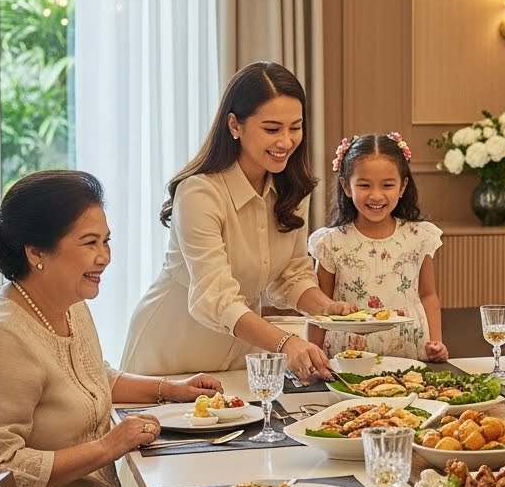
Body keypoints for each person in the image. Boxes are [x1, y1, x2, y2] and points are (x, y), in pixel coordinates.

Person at [0, 170, 221, 487]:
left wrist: (172, 389)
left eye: (106, 241)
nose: (105, 256)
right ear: (36, 253)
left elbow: (92, 378)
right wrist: (109, 447)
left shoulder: (68, 305)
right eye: (89, 243)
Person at [120, 61, 353, 382]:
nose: (286, 141)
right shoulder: (199, 193)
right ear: (234, 125)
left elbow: (292, 276)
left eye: (295, 127)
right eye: (272, 129)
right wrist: (285, 343)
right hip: (170, 361)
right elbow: (214, 297)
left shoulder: (294, 190)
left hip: (241, 360)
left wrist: (327, 309)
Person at [309, 132, 449, 362]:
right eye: (364, 185)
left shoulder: (419, 236)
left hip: (410, 351)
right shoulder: (331, 243)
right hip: (347, 357)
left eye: (387, 185)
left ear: (402, 186)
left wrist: (437, 342)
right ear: (346, 186)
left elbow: (428, 294)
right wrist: (311, 352)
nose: (376, 195)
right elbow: (320, 307)